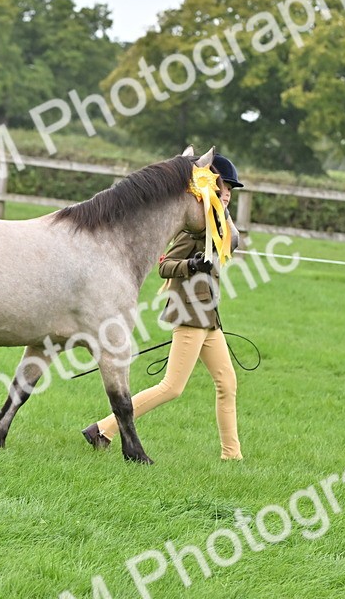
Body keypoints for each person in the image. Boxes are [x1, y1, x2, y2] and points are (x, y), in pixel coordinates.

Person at [82, 153, 244, 460]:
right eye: (224, 189)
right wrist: (193, 265)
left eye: (231, 192)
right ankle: (102, 429)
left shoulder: (215, 225)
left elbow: (230, 240)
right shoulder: (193, 229)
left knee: (227, 382)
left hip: (209, 318)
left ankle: (231, 455)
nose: (228, 196)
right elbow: (165, 265)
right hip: (190, 315)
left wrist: (221, 210)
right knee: (172, 387)